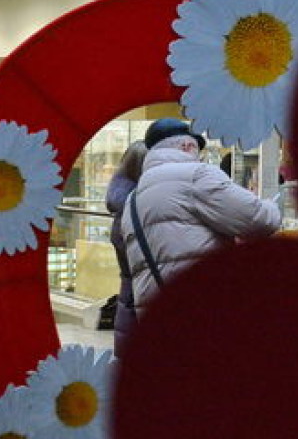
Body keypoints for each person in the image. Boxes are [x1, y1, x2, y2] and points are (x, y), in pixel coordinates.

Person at [120, 117, 281, 314]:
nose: (200, 157)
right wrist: (273, 205)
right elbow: (259, 220)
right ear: (187, 146)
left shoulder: (133, 199)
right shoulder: (196, 174)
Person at [104, 140, 147, 356]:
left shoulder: (121, 198)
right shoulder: (139, 203)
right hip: (140, 282)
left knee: (126, 302)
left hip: (127, 276)